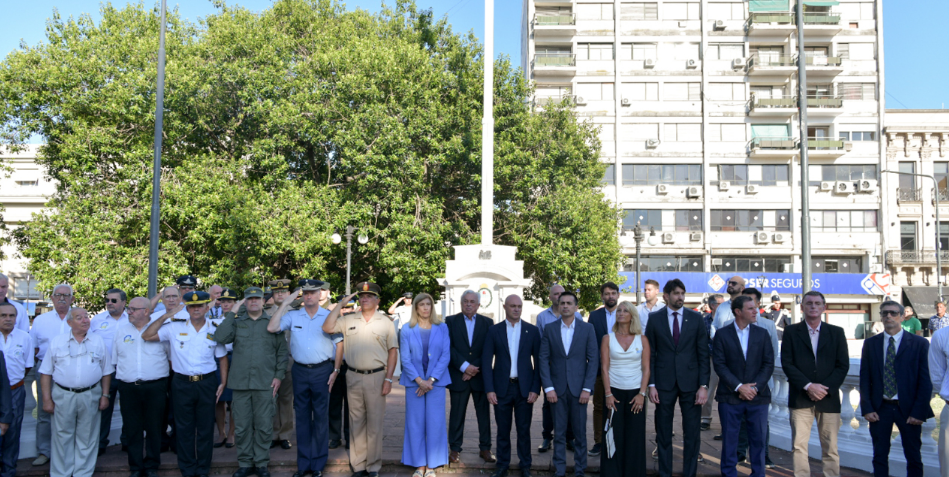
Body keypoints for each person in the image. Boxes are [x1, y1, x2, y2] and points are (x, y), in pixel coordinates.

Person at [143, 291, 228, 477]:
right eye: (192, 306)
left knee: (206, 428)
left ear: (207, 308)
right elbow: (147, 336)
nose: (196, 309)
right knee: (184, 428)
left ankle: (203, 469)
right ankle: (188, 469)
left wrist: (222, 382)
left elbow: (222, 358)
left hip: (206, 383)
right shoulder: (173, 327)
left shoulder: (215, 328)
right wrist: (166, 315)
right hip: (181, 383)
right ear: (187, 308)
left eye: (200, 306)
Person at [322, 282, 398, 477]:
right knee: (356, 423)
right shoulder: (348, 319)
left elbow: (392, 352)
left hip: (377, 377)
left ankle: (373, 466)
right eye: (362, 297)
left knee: (374, 423)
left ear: (377, 300)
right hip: (353, 376)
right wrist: (340, 304)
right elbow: (328, 327)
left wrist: (389, 379)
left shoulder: (386, 322)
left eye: (369, 296)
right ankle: (358, 466)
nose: (364, 299)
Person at [267, 279, 340, 477]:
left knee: (320, 418)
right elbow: (272, 328)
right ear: (302, 295)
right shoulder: (293, 315)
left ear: (320, 295)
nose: (309, 296)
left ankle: (318, 464)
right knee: (302, 418)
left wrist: (336, 370)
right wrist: (284, 303)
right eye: (305, 293)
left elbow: (340, 343)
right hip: (299, 370)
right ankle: (303, 464)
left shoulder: (328, 316)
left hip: (322, 370)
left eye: (312, 293)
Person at [215, 286, 288, 477]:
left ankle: (262, 463)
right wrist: (232, 313)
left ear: (264, 301)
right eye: (249, 299)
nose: (253, 301)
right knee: (241, 426)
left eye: (257, 298)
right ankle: (245, 463)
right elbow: (220, 337)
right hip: (240, 383)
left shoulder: (272, 322)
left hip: (265, 383)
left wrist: (279, 376)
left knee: (264, 425)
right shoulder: (237, 322)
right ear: (244, 302)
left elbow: (282, 353)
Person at [780, 290, 849, 477]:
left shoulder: (836, 332)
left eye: (817, 303)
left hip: (829, 398)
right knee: (799, 446)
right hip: (801, 397)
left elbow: (842, 366)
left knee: (830, 447)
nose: (813, 306)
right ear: (802, 307)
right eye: (809, 303)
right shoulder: (791, 331)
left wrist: (823, 389)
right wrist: (808, 386)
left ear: (823, 307)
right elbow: (787, 363)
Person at [645, 279, 709, 477]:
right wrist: (652, 384)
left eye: (682, 293)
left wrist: (703, 385)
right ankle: (665, 473)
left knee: (692, 433)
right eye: (676, 293)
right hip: (663, 383)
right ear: (666, 296)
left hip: (691, 383)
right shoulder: (654, 319)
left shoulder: (696, 318)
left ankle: (689, 473)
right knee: (663, 433)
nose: (680, 297)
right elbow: (650, 354)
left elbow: (703, 354)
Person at [860, 301, 932, 477]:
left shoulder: (919, 344)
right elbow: (865, 378)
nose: (888, 316)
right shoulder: (871, 344)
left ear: (901, 316)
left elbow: (925, 381)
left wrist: (918, 411)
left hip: (908, 409)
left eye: (893, 313)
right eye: (884, 313)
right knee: (879, 456)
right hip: (880, 408)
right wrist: (867, 408)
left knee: (913, 456)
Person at [39, 307, 112, 477]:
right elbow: (46, 373)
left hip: (91, 394)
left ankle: (83, 473)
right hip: (63, 395)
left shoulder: (98, 341)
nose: (85, 320)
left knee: (87, 437)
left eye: (86, 317)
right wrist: (46, 399)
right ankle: (61, 473)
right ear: (70, 322)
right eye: (80, 317)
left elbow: (106, 371)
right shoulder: (57, 342)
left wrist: (105, 395)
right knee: (62, 436)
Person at [713, 296, 774, 477]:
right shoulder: (722, 334)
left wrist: (754, 388)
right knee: (730, 440)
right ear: (738, 312)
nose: (756, 311)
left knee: (758, 441)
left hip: (758, 396)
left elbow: (768, 363)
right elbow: (719, 365)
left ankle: (758, 474)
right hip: (730, 397)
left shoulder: (762, 334)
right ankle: (729, 473)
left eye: (756, 308)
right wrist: (739, 387)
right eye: (751, 308)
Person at [539, 291, 598, 477]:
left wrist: (587, 389)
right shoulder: (550, 328)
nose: (565, 306)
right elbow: (543, 359)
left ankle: (580, 470)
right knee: (559, 433)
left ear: (576, 307)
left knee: (580, 434)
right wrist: (548, 388)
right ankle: (560, 470)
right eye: (562, 302)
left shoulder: (587, 329)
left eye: (569, 303)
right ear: (558, 304)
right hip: (556, 390)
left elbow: (593, 360)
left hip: (579, 390)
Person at [483, 295, 541, 477]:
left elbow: (539, 362)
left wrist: (535, 388)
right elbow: (486, 362)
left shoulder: (532, 331)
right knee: (503, 429)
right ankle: (502, 465)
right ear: (505, 307)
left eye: (519, 306)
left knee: (524, 429)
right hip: (502, 388)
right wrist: (490, 389)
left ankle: (525, 466)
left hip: (524, 389)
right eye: (513, 306)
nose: (516, 309)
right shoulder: (494, 331)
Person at [112, 297, 170, 477]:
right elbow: (115, 360)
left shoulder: (161, 331)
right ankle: (135, 467)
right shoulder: (121, 331)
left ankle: (152, 465)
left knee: (154, 427)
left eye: (133, 309)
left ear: (146, 311)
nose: (129, 312)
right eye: (129, 309)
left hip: (155, 386)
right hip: (128, 387)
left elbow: (170, 357)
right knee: (132, 428)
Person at [399, 293, 451, 477]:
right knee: (415, 423)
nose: (426, 308)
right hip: (414, 384)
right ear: (415, 308)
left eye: (428, 304)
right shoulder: (406, 329)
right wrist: (420, 381)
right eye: (422, 304)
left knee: (435, 423)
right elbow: (405, 359)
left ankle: (432, 465)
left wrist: (431, 380)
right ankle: (419, 465)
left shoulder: (442, 327)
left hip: (436, 384)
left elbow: (446, 355)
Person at [600, 301, 650, 477]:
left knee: (635, 437)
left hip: (636, 394)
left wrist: (642, 394)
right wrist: (608, 394)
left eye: (625, 310)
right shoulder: (608, 338)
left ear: (632, 316)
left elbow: (646, 369)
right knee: (613, 435)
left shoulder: (642, 339)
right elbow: (604, 368)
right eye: (619, 310)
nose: (621, 313)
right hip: (614, 394)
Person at [445, 290, 495, 464]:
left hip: (481, 378)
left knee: (483, 415)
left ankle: (485, 449)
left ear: (478, 305)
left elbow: (489, 350)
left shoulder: (488, 323)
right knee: (457, 414)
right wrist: (465, 367)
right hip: (459, 377)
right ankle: (455, 449)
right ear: (461, 303)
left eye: (472, 301)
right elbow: (448, 348)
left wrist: (474, 369)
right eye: (465, 301)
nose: (468, 304)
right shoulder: (450, 322)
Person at [29, 283, 75, 466]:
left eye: (66, 295)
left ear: (72, 298)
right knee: (44, 412)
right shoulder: (41, 320)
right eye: (58, 295)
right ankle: (44, 451)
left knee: (71, 413)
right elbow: (33, 348)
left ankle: (68, 452)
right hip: (46, 372)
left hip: (72, 371)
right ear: (52, 298)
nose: (62, 298)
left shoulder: (80, 317)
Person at [534, 285, 580, 453]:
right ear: (551, 297)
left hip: (571, 370)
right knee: (548, 403)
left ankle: (570, 438)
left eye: (562, 294)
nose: (560, 298)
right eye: (556, 294)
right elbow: (540, 345)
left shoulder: (578, 316)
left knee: (570, 404)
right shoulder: (542, 317)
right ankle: (547, 437)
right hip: (551, 370)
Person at [91, 288, 129, 455]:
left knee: (128, 408)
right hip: (105, 371)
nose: (109, 303)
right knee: (103, 408)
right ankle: (100, 443)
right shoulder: (97, 320)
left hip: (127, 369)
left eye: (114, 300)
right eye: (107, 300)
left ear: (123, 303)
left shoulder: (132, 319)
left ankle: (127, 442)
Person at [585, 282, 619, 457]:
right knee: (599, 406)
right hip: (599, 369)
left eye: (613, 293)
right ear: (602, 297)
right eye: (607, 294)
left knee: (619, 406)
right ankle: (599, 442)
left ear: (618, 295)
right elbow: (591, 343)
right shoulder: (594, 316)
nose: (610, 296)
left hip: (621, 370)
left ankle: (618, 440)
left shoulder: (625, 313)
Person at [0, 302, 30, 477]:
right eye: (3, 315)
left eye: (11, 316)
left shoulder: (24, 337)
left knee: (12, 431)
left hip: (15, 391)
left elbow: (27, 366)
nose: (8, 319)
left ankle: (9, 470)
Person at [321, 280, 350, 451]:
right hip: (332, 366)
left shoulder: (356, 323)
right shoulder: (331, 324)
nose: (346, 311)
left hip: (351, 366)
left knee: (351, 405)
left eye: (349, 308)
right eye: (343, 308)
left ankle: (349, 436)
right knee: (334, 403)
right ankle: (334, 437)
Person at [267, 279, 295, 450]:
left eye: (283, 291)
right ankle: (272, 434)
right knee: (271, 399)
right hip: (269, 362)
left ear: (288, 294)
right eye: (276, 291)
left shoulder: (296, 312)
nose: (279, 294)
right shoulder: (265, 312)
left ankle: (285, 435)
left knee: (286, 399)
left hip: (290, 361)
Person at [211, 288, 238, 449]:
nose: (226, 304)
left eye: (230, 301)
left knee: (233, 399)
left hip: (234, 358)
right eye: (224, 301)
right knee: (218, 399)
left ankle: (232, 433)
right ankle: (221, 433)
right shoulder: (211, 318)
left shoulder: (239, 318)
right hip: (216, 359)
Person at [700, 294, 724, 431]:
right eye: (721, 303)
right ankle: (705, 419)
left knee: (727, 392)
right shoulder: (705, 321)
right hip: (711, 359)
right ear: (713, 305)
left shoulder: (729, 319)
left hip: (726, 360)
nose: (724, 306)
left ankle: (724, 423)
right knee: (708, 390)